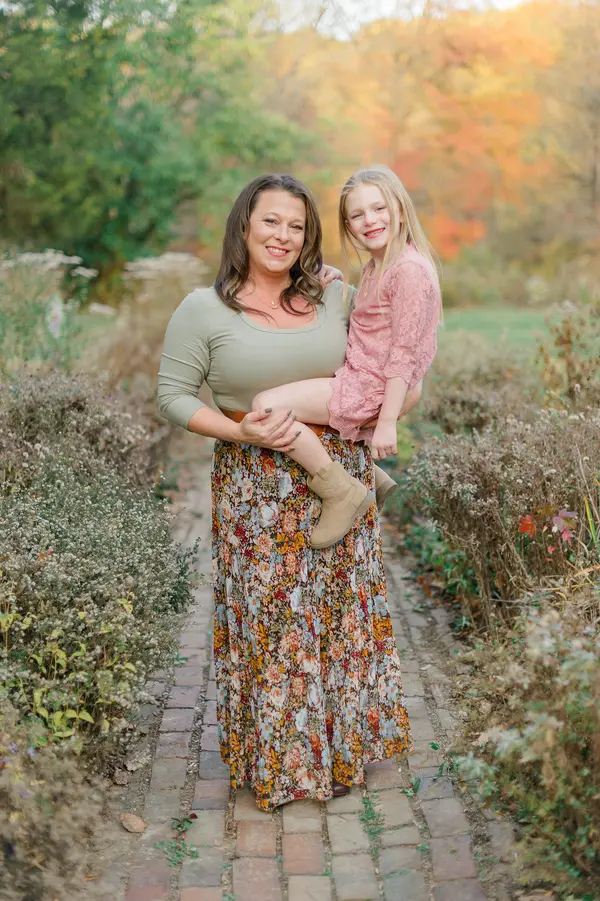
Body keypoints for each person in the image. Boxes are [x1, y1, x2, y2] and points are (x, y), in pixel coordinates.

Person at [157, 173, 414, 811]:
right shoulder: (202, 309)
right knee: (274, 622)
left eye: (297, 226)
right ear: (244, 225)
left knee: (341, 617)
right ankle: (286, 762)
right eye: (271, 220)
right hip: (255, 485)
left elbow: (394, 360)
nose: (283, 235)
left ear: (309, 237)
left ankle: (344, 750)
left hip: (340, 477)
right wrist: (239, 430)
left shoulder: (336, 297)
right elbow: (174, 397)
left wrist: (385, 413)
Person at [251, 165, 441, 549]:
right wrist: (340, 281)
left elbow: (402, 353)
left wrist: (386, 423)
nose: (369, 220)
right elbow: (378, 320)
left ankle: (341, 491)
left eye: (379, 208)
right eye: (357, 215)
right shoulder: (380, 265)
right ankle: (370, 476)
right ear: (348, 225)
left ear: (400, 209)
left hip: (370, 387)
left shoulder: (409, 270)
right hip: (363, 377)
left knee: (267, 406)